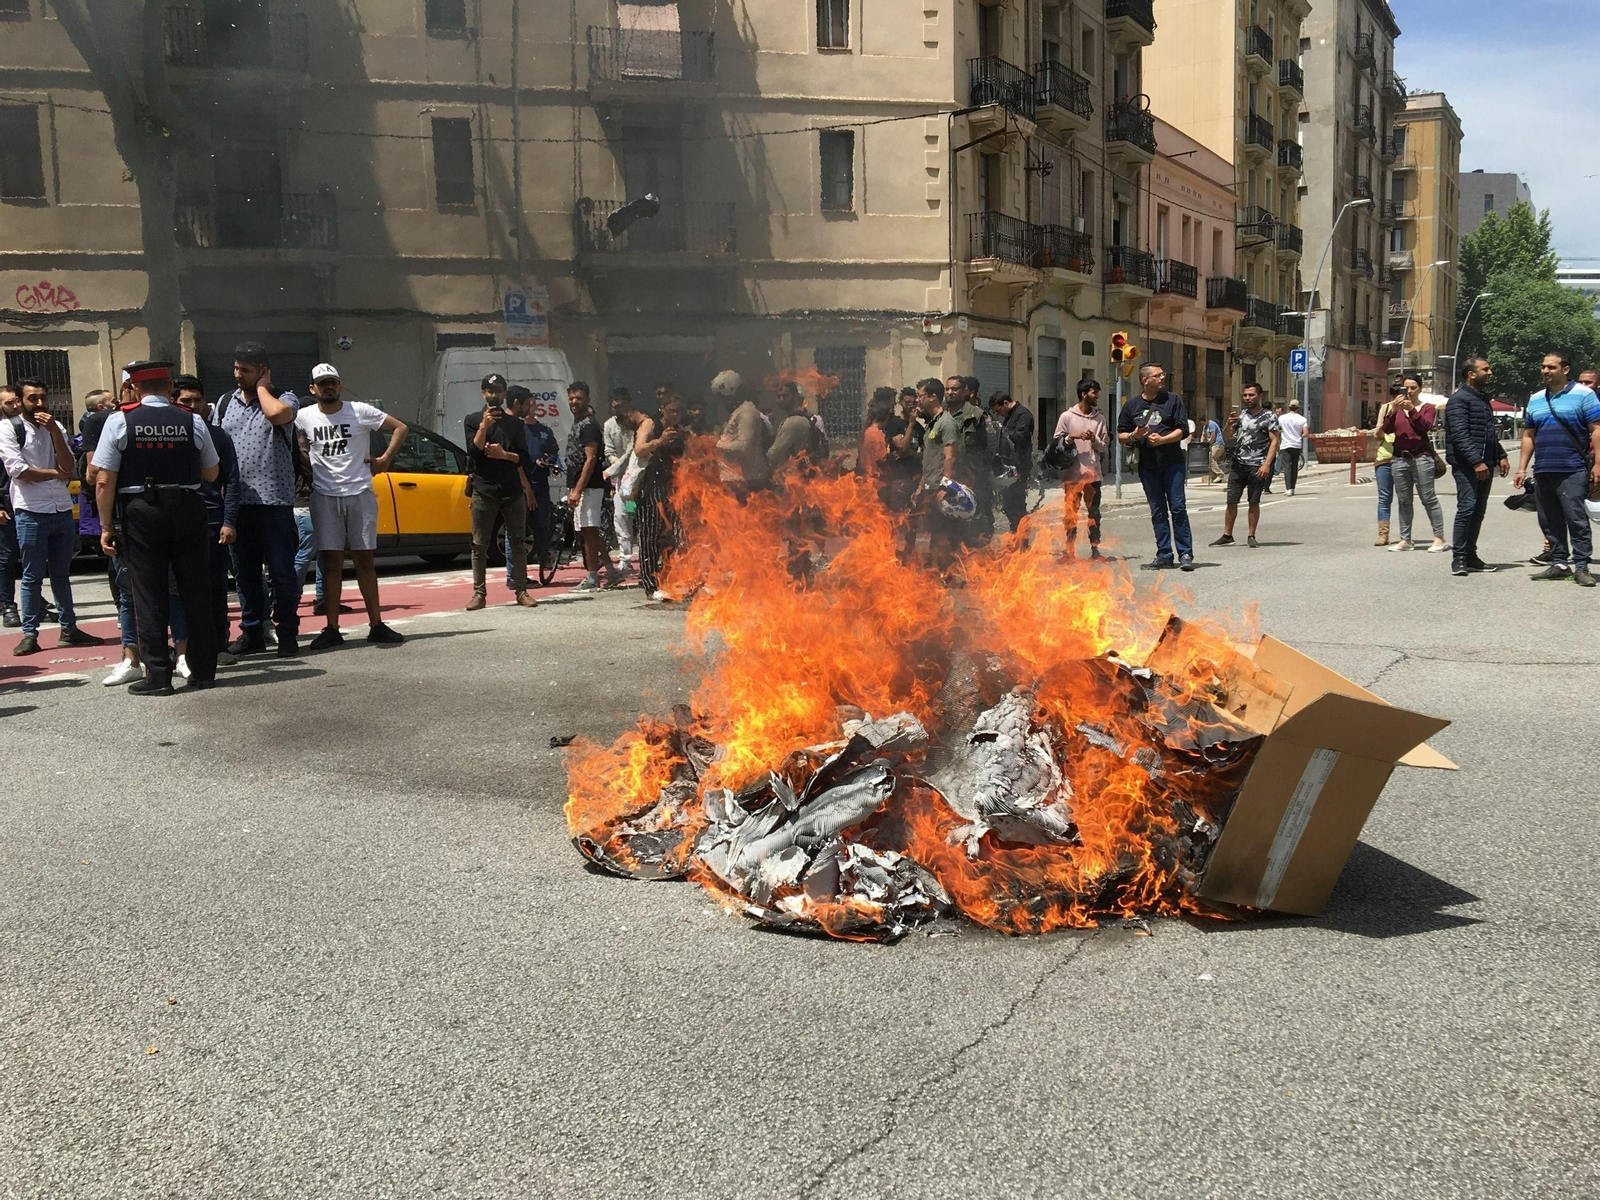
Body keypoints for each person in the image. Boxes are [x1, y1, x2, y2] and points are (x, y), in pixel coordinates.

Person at [91, 361, 219, 694]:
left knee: (148, 594)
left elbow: (104, 479)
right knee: (196, 592)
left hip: (142, 512)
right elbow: (211, 473)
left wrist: (106, 525)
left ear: (134, 388)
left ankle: (158, 677)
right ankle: (203, 671)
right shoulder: (191, 419)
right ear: (169, 386)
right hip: (189, 508)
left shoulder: (121, 419)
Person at [294, 364, 410, 648]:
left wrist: (385, 459)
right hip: (324, 496)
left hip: (360, 493)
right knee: (331, 562)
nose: (328, 387)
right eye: (322, 384)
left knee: (364, 560)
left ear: (340, 386)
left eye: (332, 382)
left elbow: (400, 428)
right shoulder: (303, 417)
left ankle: (376, 624)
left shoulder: (359, 411)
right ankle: (331, 628)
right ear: (313, 389)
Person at [1, 379, 102, 656]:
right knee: (32, 576)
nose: (40, 403)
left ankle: (69, 629)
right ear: (20, 402)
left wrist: (54, 434)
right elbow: (20, 471)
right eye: (33, 398)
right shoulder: (8, 428)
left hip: (59, 510)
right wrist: (56, 474)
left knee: (61, 574)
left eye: (43, 397)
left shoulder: (55, 427)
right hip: (31, 511)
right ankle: (30, 633)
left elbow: (69, 467)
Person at [215, 341, 302, 658]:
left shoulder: (283, 398)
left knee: (281, 572)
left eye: (246, 370)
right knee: (245, 574)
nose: (238, 375)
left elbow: (279, 416)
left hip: (274, 502)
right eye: (236, 368)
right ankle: (252, 630)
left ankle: (288, 631)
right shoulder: (224, 403)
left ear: (263, 371)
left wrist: (263, 388)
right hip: (237, 504)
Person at [1514, 352, 1600, 586]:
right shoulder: (1536, 399)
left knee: (1576, 518)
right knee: (1548, 519)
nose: (1545, 371)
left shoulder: (1585, 395)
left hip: (1572, 467)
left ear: (1565, 369)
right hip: (1543, 468)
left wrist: (1598, 464)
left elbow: (1596, 430)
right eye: (1543, 367)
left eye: (1551, 367)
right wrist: (1521, 468)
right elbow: (1529, 434)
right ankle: (1559, 562)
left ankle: (1581, 566)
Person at [176, 376, 242, 665]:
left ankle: (218, 645)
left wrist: (229, 521)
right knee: (177, 589)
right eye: (185, 401)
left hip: (212, 523)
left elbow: (232, 481)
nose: (192, 406)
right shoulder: (167, 434)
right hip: (175, 523)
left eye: (197, 400)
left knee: (215, 587)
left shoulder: (218, 436)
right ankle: (182, 647)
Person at [464, 373, 538, 610]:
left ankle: (521, 590)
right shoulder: (473, 420)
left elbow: (525, 460)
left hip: (511, 490)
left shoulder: (515, 424)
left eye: (498, 391)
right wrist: (484, 427)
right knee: (479, 544)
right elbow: (473, 453)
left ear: (505, 394)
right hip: (484, 489)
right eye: (489, 390)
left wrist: (503, 455)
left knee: (517, 541)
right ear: (483, 393)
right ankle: (479, 593)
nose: (494, 395)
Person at [1117, 364, 1194, 571]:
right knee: (1158, 511)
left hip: (1173, 463)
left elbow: (1183, 429)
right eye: (1157, 375)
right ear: (1145, 380)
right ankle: (1164, 555)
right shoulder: (1132, 406)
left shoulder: (1172, 400)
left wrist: (1162, 440)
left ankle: (1185, 553)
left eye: (1162, 374)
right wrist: (1135, 435)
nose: (1162, 378)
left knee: (1177, 508)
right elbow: (1121, 436)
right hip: (1148, 467)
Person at [1443, 356, 1510, 576]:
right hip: (1467, 466)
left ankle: (1471, 555)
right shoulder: (1459, 400)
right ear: (1471, 374)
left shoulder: (1482, 400)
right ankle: (1459, 558)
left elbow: (1488, 433)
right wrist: (1476, 461)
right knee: (1467, 509)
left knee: (1478, 512)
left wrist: (1500, 455)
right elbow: (1460, 435)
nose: (1490, 372)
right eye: (1485, 369)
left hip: (1485, 464)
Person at [565, 381, 622, 593]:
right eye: (571, 398)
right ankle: (611, 571)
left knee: (588, 530)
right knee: (588, 530)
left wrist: (578, 489)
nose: (574, 402)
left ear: (587, 399)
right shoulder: (579, 422)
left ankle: (592, 576)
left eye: (578, 398)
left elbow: (590, 460)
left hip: (590, 486)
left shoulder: (589, 425)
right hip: (581, 485)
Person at [1383, 374, 1448, 554]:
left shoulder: (1427, 408)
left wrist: (1411, 409)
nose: (1409, 392)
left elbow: (1425, 426)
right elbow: (1386, 429)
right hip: (1399, 458)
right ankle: (1405, 539)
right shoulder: (1395, 409)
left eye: (1413, 388)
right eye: (1406, 389)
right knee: (1404, 500)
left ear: (1420, 388)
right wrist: (1393, 410)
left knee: (1428, 498)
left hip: (1421, 457)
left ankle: (1439, 538)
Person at [1211, 384, 1280, 549]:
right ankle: (1227, 535)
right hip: (1238, 464)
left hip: (1257, 465)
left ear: (1259, 396)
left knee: (1253, 501)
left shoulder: (1269, 416)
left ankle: (1251, 535)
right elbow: (1227, 437)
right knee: (1231, 500)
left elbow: (1274, 441)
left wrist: (1266, 464)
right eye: (1245, 395)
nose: (1247, 398)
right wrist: (1228, 424)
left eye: (1251, 395)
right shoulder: (1242, 415)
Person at [635, 394, 687, 600]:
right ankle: (649, 583)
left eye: (679, 411)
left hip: (673, 485)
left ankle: (666, 577)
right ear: (663, 408)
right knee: (650, 534)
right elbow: (639, 449)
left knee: (673, 534)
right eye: (673, 410)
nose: (677, 415)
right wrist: (660, 441)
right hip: (651, 485)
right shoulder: (651, 424)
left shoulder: (679, 429)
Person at [511, 385, 562, 580]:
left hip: (540, 483)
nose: (531, 407)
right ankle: (519, 567)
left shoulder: (544, 431)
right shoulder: (517, 429)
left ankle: (543, 555)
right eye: (528, 404)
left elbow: (554, 451)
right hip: (521, 483)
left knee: (543, 522)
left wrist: (549, 460)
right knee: (521, 523)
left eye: (534, 404)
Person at [913, 378, 964, 571]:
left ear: (933, 396)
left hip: (939, 488)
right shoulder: (932, 424)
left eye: (921, 396)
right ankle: (937, 572)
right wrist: (920, 487)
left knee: (942, 534)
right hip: (929, 486)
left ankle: (946, 574)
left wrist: (946, 486)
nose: (918, 400)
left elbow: (950, 457)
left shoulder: (947, 423)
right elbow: (929, 459)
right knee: (933, 532)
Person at [1053, 378, 1108, 560]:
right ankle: (1069, 551)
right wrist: (1071, 437)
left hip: (1093, 475)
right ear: (1084, 394)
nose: (1097, 396)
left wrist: (1094, 440)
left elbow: (1104, 446)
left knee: (1094, 514)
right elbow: (1056, 443)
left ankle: (1095, 549)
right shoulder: (1066, 417)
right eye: (1094, 392)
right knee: (1071, 514)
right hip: (1072, 475)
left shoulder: (1099, 419)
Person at [714, 372, 771, 493]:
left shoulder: (746, 413)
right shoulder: (740, 412)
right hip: (739, 480)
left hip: (747, 482)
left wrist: (716, 444)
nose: (722, 402)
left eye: (723, 398)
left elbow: (743, 447)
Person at [602, 388, 637, 572]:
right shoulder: (609, 425)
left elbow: (633, 451)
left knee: (637, 516)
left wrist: (611, 470)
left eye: (620, 405)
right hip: (621, 483)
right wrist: (615, 469)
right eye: (614, 406)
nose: (617, 409)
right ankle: (625, 559)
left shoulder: (636, 423)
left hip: (638, 479)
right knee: (622, 518)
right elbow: (609, 451)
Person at [989, 391, 1034, 533]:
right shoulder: (1010, 416)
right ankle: (1015, 534)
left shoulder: (1023, 415)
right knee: (1008, 505)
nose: (999, 414)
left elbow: (1019, 438)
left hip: (1019, 466)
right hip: (1008, 466)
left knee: (1017, 505)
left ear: (1006, 403)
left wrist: (1004, 431)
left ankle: (1022, 539)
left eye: (999, 410)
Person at [0, 384, 22, 629]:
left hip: (27, 502)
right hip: (6, 504)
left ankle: (36, 602)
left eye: (16, 400)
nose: (15, 406)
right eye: (9, 403)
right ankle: (8, 606)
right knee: (7, 558)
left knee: (31, 558)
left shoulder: (25, 429)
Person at [766, 381, 817, 471]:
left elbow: (774, 454)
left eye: (785, 396)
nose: (781, 399)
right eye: (778, 396)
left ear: (796, 397)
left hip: (792, 477)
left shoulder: (794, 422)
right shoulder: (800, 418)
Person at [1371, 385, 1399, 545]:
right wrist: (1390, 415)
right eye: (1395, 394)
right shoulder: (1386, 408)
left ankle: (1405, 535)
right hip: (1384, 458)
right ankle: (1383, 534)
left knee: (1404, 499)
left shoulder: (1412, 409)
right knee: (1384, 498)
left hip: (1404, 458)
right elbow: (1377, 433)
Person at [1277, 399, 1308, 495]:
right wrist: (1299, 436)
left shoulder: (1282, 418)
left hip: (1285, 445)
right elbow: (1306, 433)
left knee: (1287, 466)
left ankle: (1288, 488)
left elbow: (1277, 429)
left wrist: (1282, 434)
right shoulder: (1302, 419)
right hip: (1296, 445)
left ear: (1289, 407)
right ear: (1298, 408)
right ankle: (1293, 488)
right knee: (1294, 467)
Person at [1201, 411, 1225, 485]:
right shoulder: (1205, 426)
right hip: (1213, 445)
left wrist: (1208, 444)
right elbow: (1203, 435)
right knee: (1213, 461)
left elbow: (1213, 436)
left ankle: (1220, 474)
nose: (1203, 424)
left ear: (1206, 419)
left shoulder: (1211, 424)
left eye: (1203, 422)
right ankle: (1214, 477)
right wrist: (1202, 442)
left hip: (1217, 444)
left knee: (1210, 458)